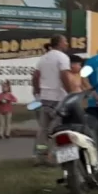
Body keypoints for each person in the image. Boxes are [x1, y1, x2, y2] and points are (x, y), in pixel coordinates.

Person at [32, 35, 72, 164]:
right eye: (65, 41)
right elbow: (64, 75)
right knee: (60, 129)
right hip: (58, 98)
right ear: (60, 43)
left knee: (43, 129)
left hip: (45, 98)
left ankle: (39, 156)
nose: (66, 44)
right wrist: (70, 92)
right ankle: (55, 157)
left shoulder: (44, 58)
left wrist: (38, 91)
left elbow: (35, 76)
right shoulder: (62, 58)